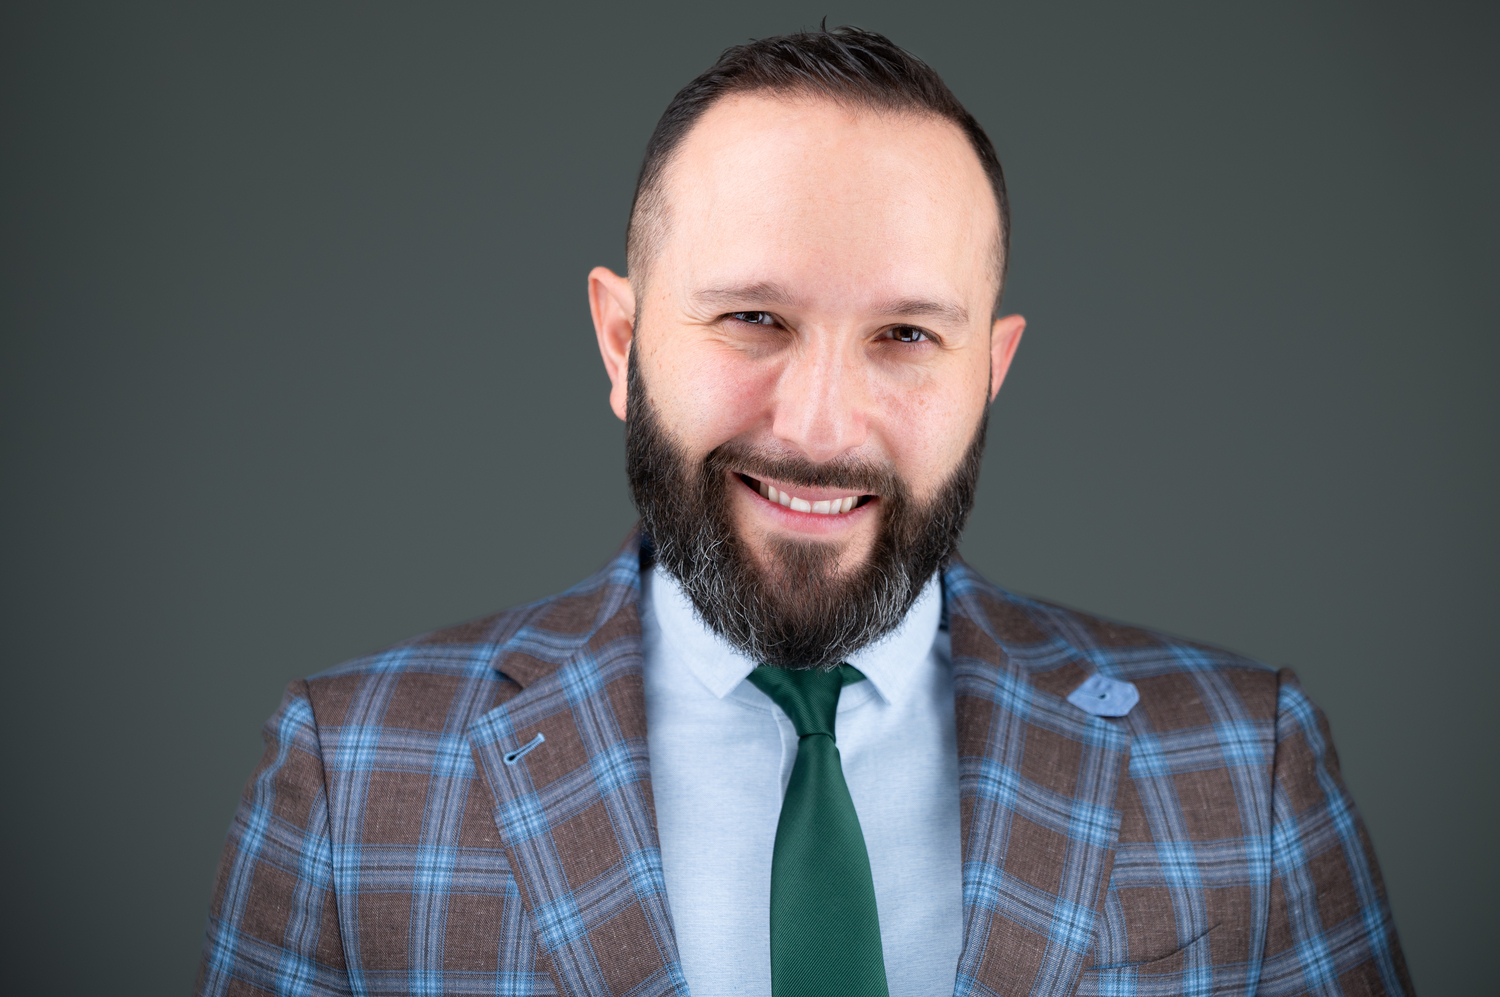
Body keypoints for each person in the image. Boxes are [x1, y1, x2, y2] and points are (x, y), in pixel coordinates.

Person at [196, 26, 1411, 997]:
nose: (823, 428)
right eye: (754, 319)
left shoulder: (1244, 765)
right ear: (620, 340)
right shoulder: (354, 775)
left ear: (989, 373)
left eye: (907, 336)